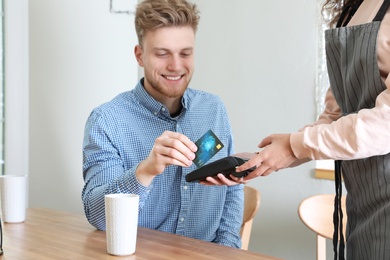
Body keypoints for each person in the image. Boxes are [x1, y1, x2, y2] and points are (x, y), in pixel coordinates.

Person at [204, 0, 389, 259]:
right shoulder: (351, 12)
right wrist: (271, 157)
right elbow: (334, 117)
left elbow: (384, 124)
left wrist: (294, 146)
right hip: (360, 204)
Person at [81, 0, 243, 248]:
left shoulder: (213, 110)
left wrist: (228, 250)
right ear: (140, 56)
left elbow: (231, 191)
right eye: (162, 53)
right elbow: (98, 216)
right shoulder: (107, 122)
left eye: (185, 53)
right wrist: (145, 170)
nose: (176, 66)